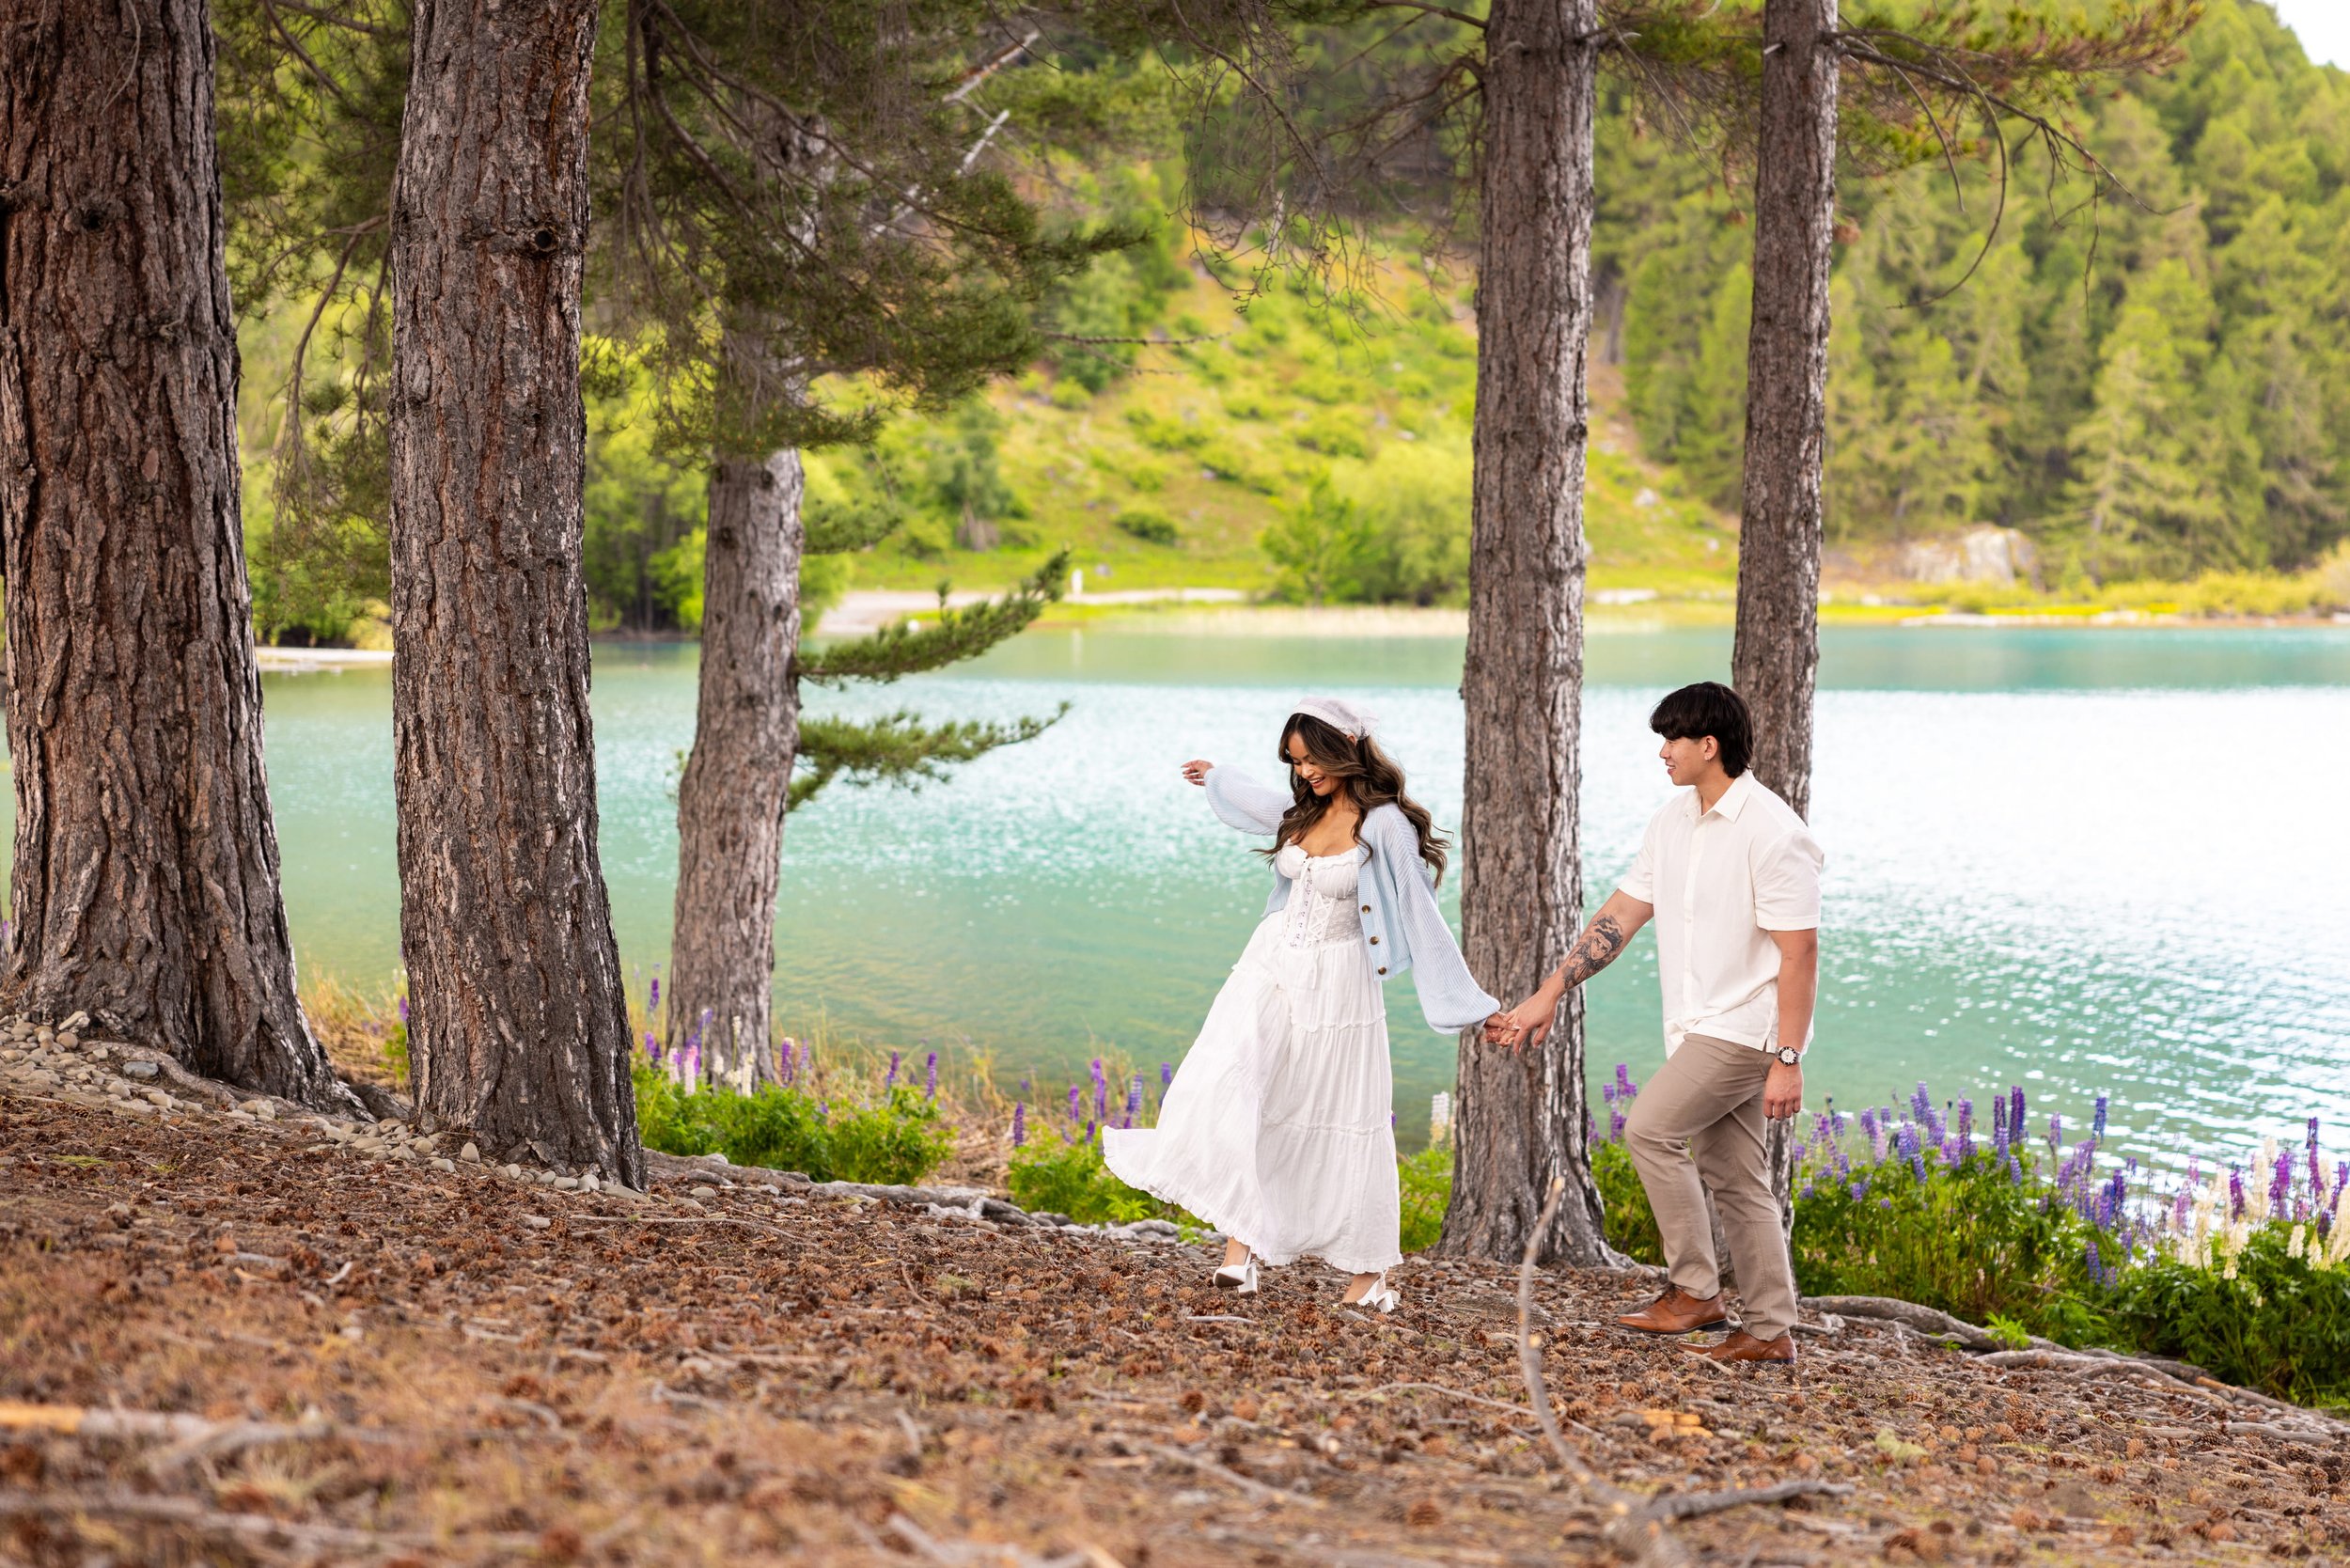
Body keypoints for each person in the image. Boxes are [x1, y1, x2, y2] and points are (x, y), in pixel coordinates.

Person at [1103, 698, 1502, 1314]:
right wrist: (1218, 776)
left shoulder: (1385, 825)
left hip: (1338, 986)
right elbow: (1259, 803)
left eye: (1314, 758)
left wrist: (1472, 1007)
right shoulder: (1304, 811)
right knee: (1232, 1083)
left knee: (1339, 1114)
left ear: (1347, 749)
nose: (1305, 771)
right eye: (1295, 761)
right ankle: (1240, 1250)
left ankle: (1369, 1274)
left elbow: (1422, 916)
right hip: (1267, 968)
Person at [1487, 682, 1823, 1364]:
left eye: (1673, 740)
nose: (1663, 752)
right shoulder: (1672, 822)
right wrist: (1551, 991)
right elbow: (1620, 916)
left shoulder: (1774, 831)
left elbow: (1800, 953)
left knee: (1649, 1129)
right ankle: (1769, 1330)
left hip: (1747, 1027)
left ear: (1710, 745)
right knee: (1736, 1175)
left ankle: (1695, 1291)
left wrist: (1788, 1059)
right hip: (1698, 1023)